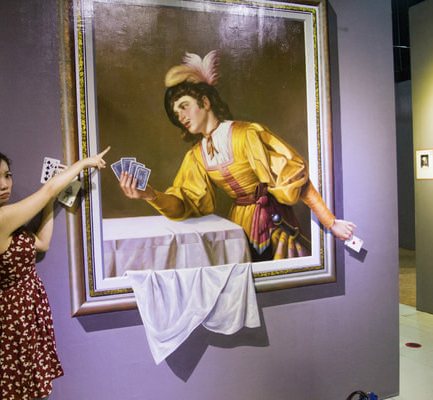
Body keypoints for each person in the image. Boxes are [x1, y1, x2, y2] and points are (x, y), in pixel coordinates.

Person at [119, 50, 355, 261]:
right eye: (175, 113)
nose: (180, 117)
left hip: (275, 224)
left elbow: (295, 179)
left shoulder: (247, 135)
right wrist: (150, 195)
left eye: (184, 106)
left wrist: (330, 222)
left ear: (205, 102)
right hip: (238, 227)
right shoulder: (196, 156)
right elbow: (187, 203)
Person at [0, 147, 109, 400]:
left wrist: (50, 203)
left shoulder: (2, 219)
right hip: (14, 316)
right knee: (19, 390)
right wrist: (84, 163)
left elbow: (42, 244)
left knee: (29, 388)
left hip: (26, 311)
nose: (4, 184)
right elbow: (47, 190)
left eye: (7, 175)